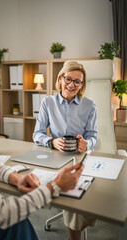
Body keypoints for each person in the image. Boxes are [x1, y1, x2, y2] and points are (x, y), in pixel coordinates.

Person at [0, 58, 84, 240]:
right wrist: (54, 187)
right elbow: (2, 213)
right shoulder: (48, 102)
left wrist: (14, 177)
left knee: (19, 223)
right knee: (14, 219)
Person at [33, 61, 98, 240]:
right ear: (61, 78)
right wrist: (52, 142)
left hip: (82, 157)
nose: (72, 84)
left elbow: (94, 136)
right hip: (57, 157)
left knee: (98, 197)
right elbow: (37, 134)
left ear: (82, 84)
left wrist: (88, 143)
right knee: (73, 195)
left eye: (78, 81)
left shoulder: (90, 105)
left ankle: (75, 224)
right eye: (68, 79)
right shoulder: (47, 103)